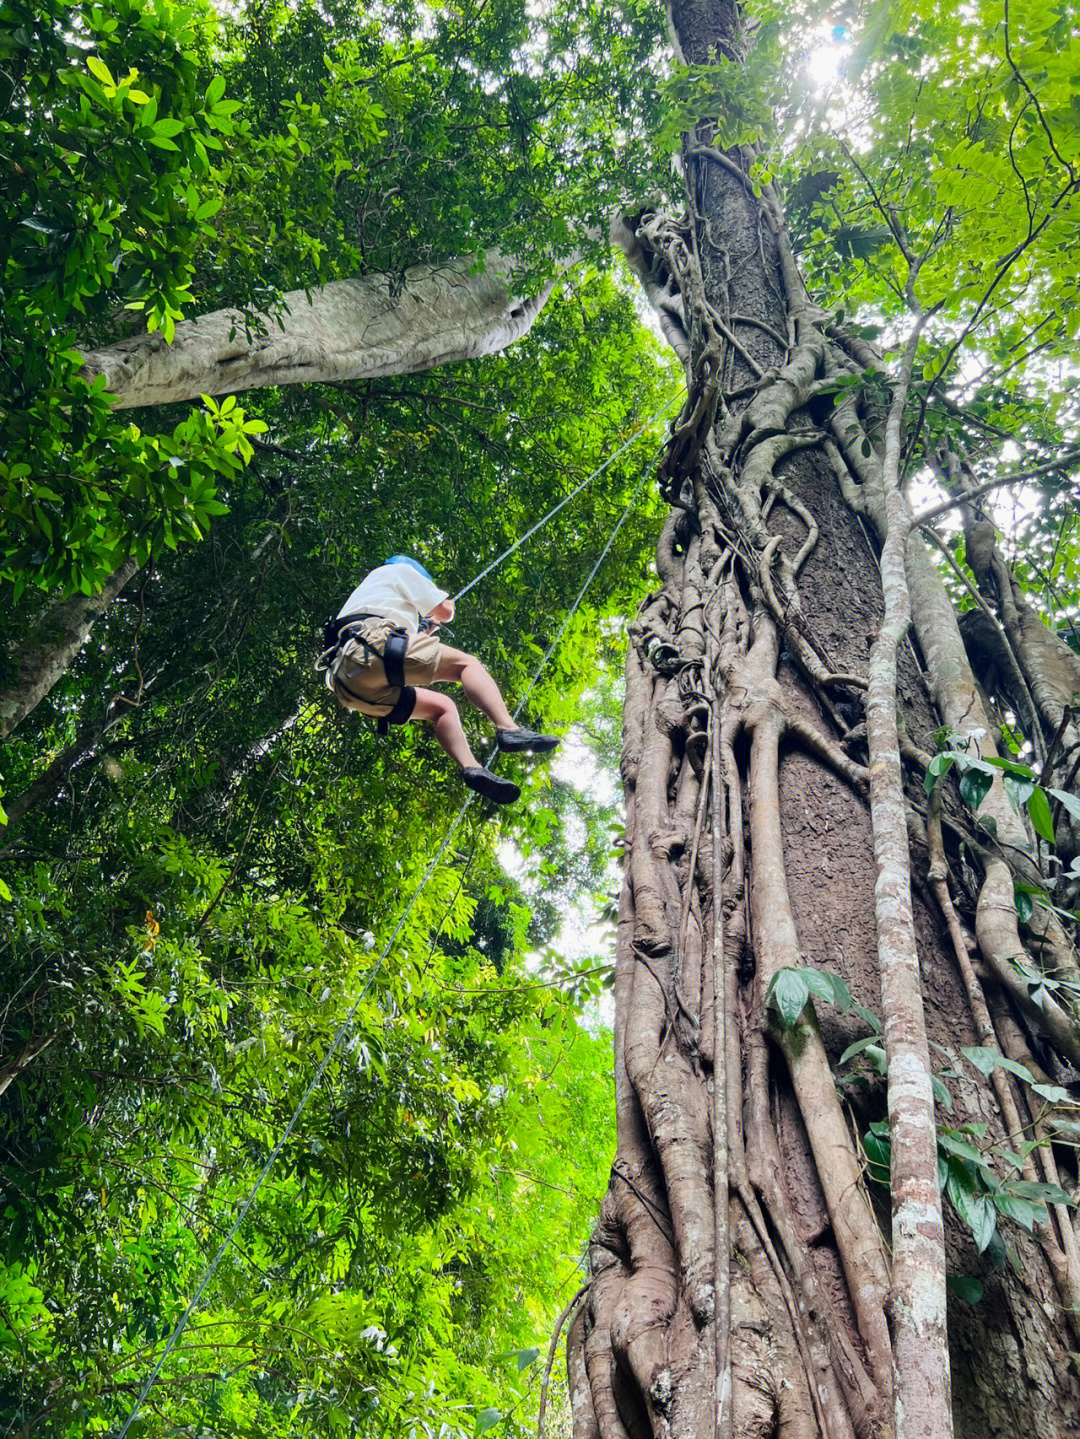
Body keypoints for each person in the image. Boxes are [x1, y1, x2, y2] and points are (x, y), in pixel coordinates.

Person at [321, 556, 559, 804]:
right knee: (467, 665)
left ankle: (472, 768)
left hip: (348, 683)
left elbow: (393, 635)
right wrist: (445, 608)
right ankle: (508, 728)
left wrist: (423, 629)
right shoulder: (402, 570)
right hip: (372, 647)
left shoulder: (370, 587)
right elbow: (444, 612)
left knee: (443, 708)